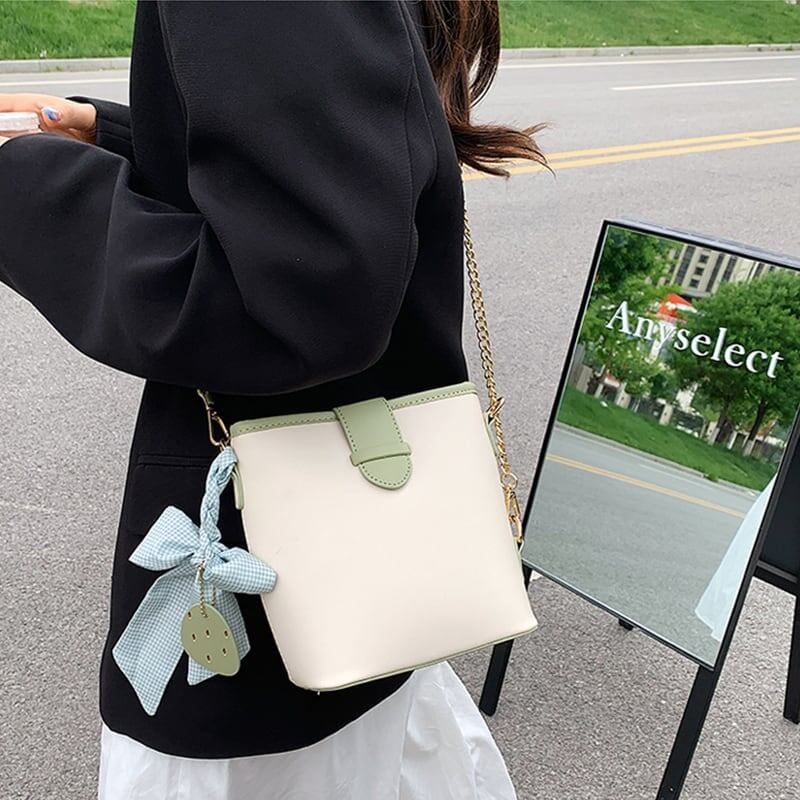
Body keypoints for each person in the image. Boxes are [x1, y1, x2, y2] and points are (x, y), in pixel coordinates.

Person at [0, 2, 546, 798]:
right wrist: (118, 137)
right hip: (352, 566)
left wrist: (20, 189)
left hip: (271, 623)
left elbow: (299, 297)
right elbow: (336, 160)